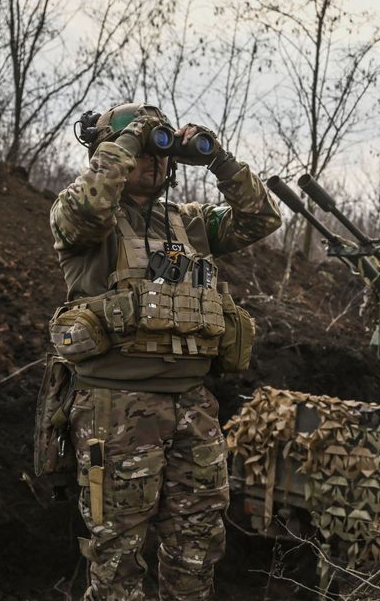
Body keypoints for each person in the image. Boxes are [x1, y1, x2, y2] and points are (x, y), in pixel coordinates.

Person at [48, 103, 282, 600]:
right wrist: (132, 140)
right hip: (114, 410)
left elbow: (261, 218)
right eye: (143, 151)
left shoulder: (189, 223)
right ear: (111, 153)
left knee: (198, 544)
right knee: (117, 555)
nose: (154, 162)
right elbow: (90, 207)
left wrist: (219, 160)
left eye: (162, 154)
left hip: (192, 406)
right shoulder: (83, 219)